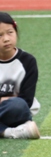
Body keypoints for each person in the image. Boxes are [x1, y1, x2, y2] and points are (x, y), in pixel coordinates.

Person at [0, 12, 40, 140]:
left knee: (18, 105)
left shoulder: (28, 61)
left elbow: (26, 100)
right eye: (0, 35)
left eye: (10, 32)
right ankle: (8, 132)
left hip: (16, 112)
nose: (6, 39)